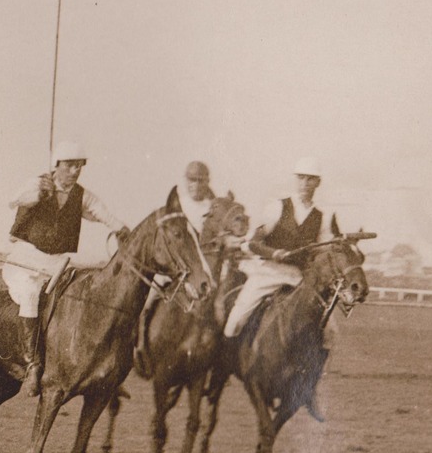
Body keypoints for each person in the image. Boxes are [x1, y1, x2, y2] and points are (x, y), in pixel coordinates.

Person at [4, 141, 128, 395]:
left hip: (56, 264)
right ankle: (32, 365)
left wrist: (122, 229)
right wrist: (39, 193)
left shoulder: (82, 195)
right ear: (57, 165)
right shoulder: (37, 184)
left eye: (79, 166)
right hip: (24, 260)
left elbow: (102, 212)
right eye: (70, 165)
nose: (75, 171)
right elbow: (14, 200)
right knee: (29, 296)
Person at [222, 156, 326, 339]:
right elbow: (253, 243)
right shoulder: (278, 207)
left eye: (310, 179)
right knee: (235, 321)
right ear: (295, 179)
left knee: (329, 332)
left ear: (318, 182)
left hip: (298, 276)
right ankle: (226, 363)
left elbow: (321, 253)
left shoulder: (320, 217)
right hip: (268, 273)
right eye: (301, 178)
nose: (304, 183)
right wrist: (274, 253)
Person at [135, 160, 215, 371]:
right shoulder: (179, 204)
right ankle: (141, 343)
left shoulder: (212, 206)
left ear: (207, 181)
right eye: (192, 180)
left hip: (200, 264)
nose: (196, 185)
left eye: (201, 180)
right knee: (148, 298)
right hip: (175, 264)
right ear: (185, 181)